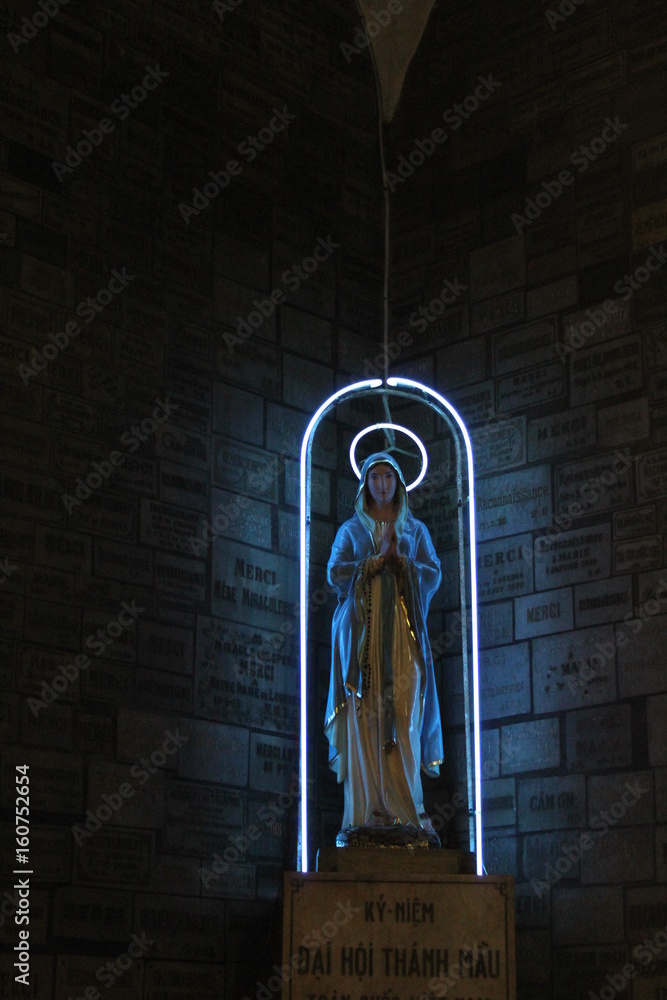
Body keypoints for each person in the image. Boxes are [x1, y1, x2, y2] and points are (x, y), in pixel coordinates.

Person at [324, 451, 443, 846]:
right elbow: (335, 571)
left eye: (388, 476)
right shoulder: (350, 531)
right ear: (365, 484)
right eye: (374, 476)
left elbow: (432, 572)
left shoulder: (415, 530)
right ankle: (366, 812)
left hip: (402, 644)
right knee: (367, 724)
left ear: (399, 483)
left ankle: (408, 810)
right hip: (361, 644)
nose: (382, 484)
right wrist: (372, 564)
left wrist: (402, 562)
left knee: (404, 719)